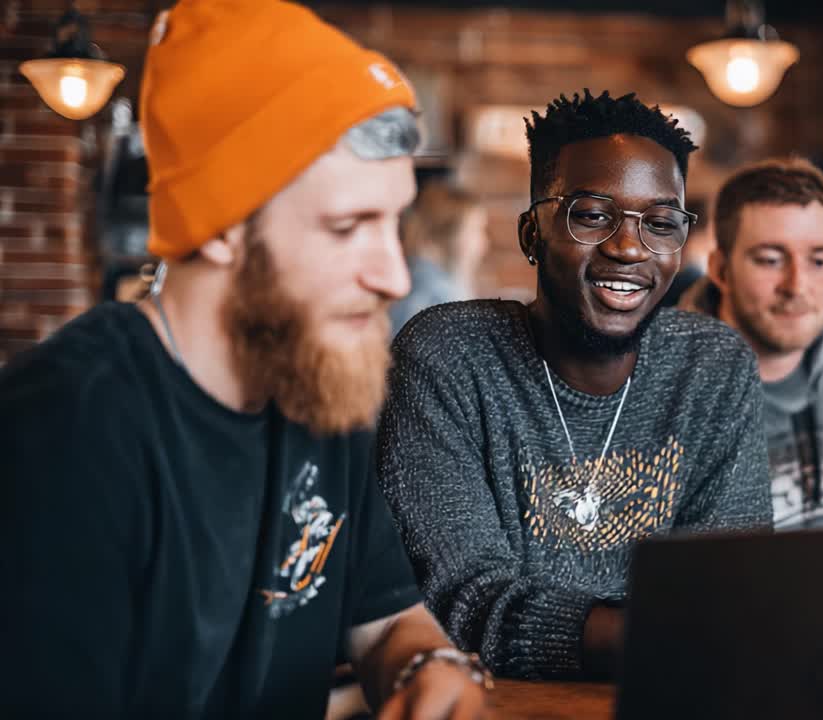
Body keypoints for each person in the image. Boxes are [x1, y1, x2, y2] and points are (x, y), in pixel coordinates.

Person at [0, 2, 488, 716]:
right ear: (223, 226)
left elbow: (385, 621)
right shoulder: (67, 429)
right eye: (350, 227)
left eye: (396, 223)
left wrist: (429, 665)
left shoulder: (319, 376)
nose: (394, 276)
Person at [378, 90, 772, 680]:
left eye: (661, 223)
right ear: (531, 235)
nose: (629, 247)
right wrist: (665, 633)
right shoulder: (447, 358)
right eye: (591, 215)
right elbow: (460, 602)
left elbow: (731, 585)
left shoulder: (712, 369)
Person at [680, 158, 823, 528]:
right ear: (720, 269)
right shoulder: (660, 376)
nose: (797, 286)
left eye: (820, 261)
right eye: (770, 260)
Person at [390, 181, 490, 335]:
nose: (484, 241)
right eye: (475, 230)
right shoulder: (440, 295)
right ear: (448, 234)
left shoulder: (413, 276)